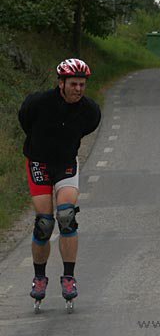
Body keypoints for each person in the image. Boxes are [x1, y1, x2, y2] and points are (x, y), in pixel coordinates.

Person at [18, 58, 101, 303]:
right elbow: (25, 121)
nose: (78, 89)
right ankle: (40, 277)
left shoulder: (90, 110)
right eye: (73, 84)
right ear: (61, 83)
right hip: (38, 162)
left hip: (65, 162)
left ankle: (68, 277)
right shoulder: (38, 103)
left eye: (82, 85)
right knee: (44, 224)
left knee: (66, 217)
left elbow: (87, 128)